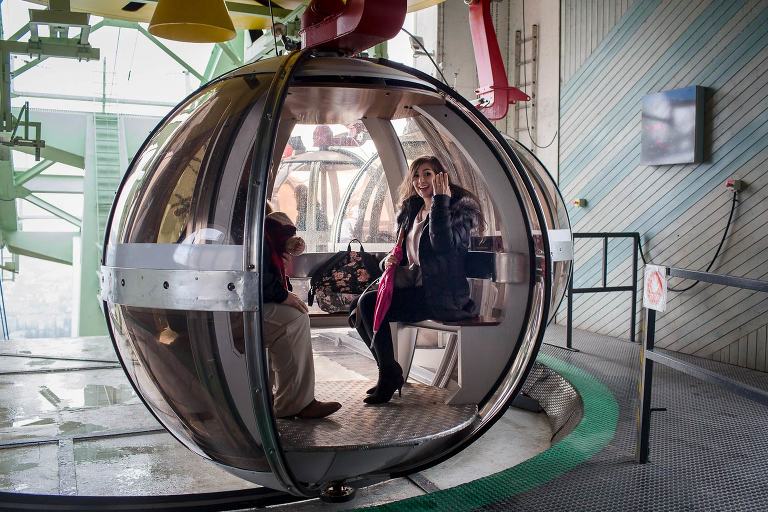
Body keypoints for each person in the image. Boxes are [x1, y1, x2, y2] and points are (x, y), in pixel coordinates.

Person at [355, 156, 484, 405]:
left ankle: (388, 375)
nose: (420, 181)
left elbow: (443, 245)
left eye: (427, 174)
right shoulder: (412, 210)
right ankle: (390, 370)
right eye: (416, 175)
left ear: (440, 177)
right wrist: (387, 262)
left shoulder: (459, 209)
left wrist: (440, 201)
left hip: (443, 295)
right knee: (359, 308)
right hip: (416, 288)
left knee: (368, 305)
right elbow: (401, 253)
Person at [262, 205, 341, 419]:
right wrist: (283, 295)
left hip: (237, 305)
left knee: (288, 319)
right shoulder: (259, 236)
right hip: (238, 307)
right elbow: (258, 277)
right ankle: (295, 403)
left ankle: (271, 398)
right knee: (294, 319)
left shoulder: (261, 237)